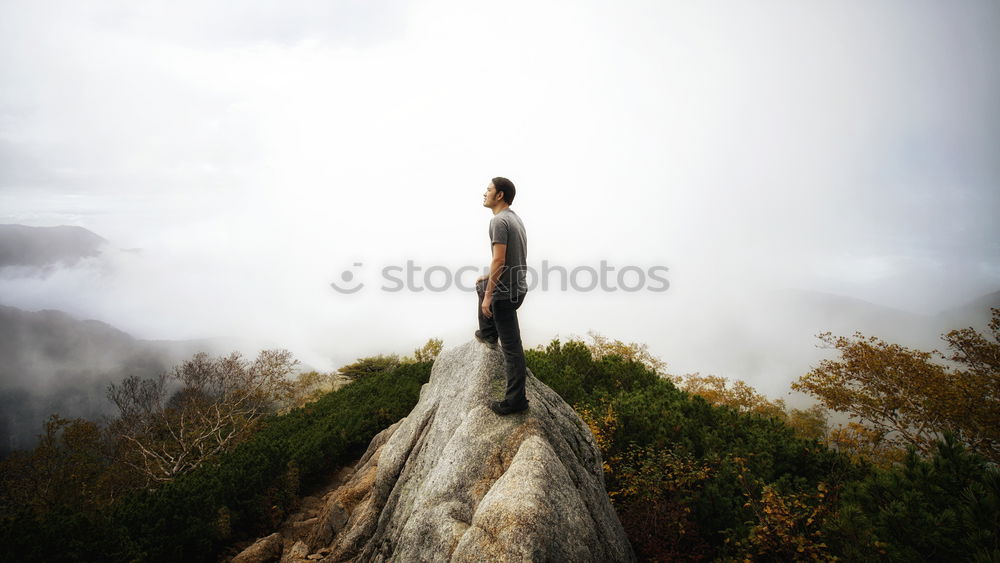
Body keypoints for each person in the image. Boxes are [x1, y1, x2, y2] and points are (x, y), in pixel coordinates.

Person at [475, 177, 530, 416]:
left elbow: (499, 259)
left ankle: (515, 401)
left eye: (488, 190)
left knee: (512, 349)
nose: (484, 193)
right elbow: (510, 258)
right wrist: (487, 279)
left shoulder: (499, 221)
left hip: (505, 295)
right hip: (517, 288)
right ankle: (488, 332)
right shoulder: (514, 218)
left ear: (499, 195)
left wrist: (489, 296)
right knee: (481, 285)